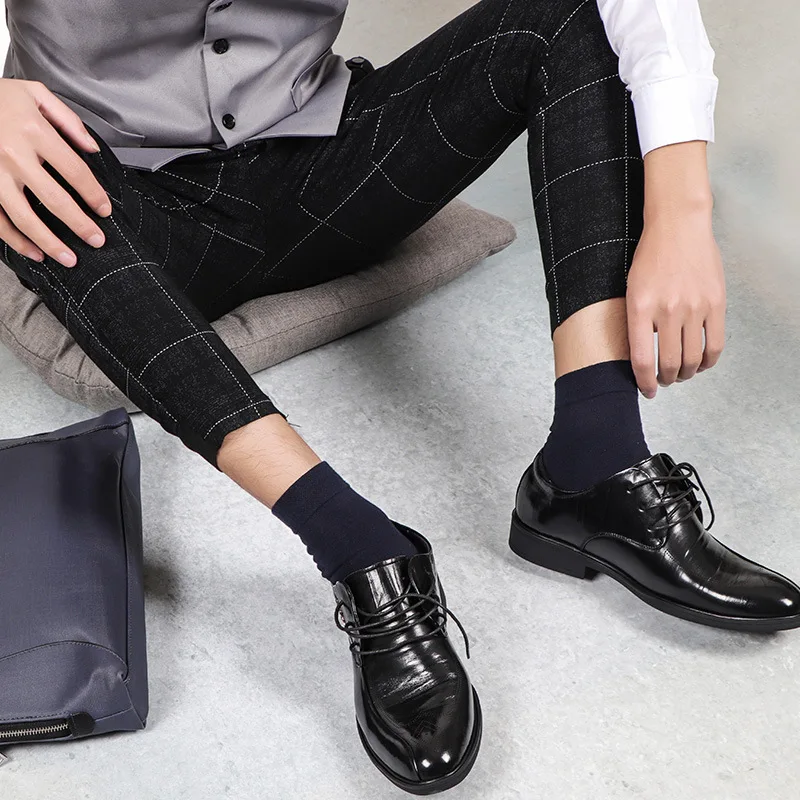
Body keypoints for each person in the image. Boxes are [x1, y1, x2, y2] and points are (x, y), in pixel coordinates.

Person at [1, 0, 798, 793]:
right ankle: (359, 547)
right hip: (125, 207)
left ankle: (595, 461)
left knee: (568, 17)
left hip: (324, 168)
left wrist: (682, 214)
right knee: (18, 185)